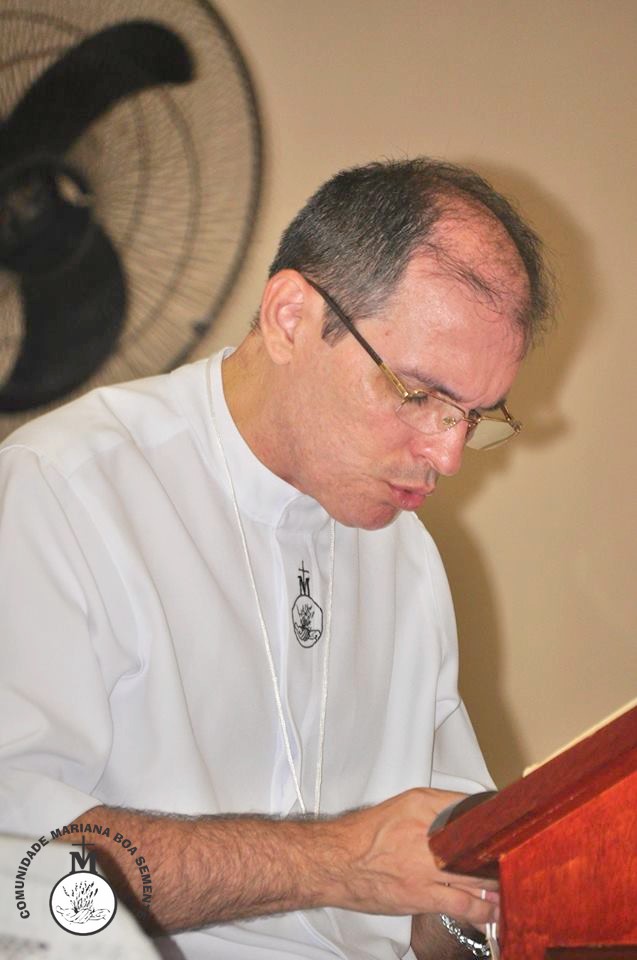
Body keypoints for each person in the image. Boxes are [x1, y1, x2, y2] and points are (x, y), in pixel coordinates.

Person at [0, 158, 551, 959]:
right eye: (419, 395)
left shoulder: (406, 558)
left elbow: (436, 907)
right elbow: (17, 869)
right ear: (290, 317)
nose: (448, 455)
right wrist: (336, 862)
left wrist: (497, 899)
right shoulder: (67, 488)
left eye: (474, 416)